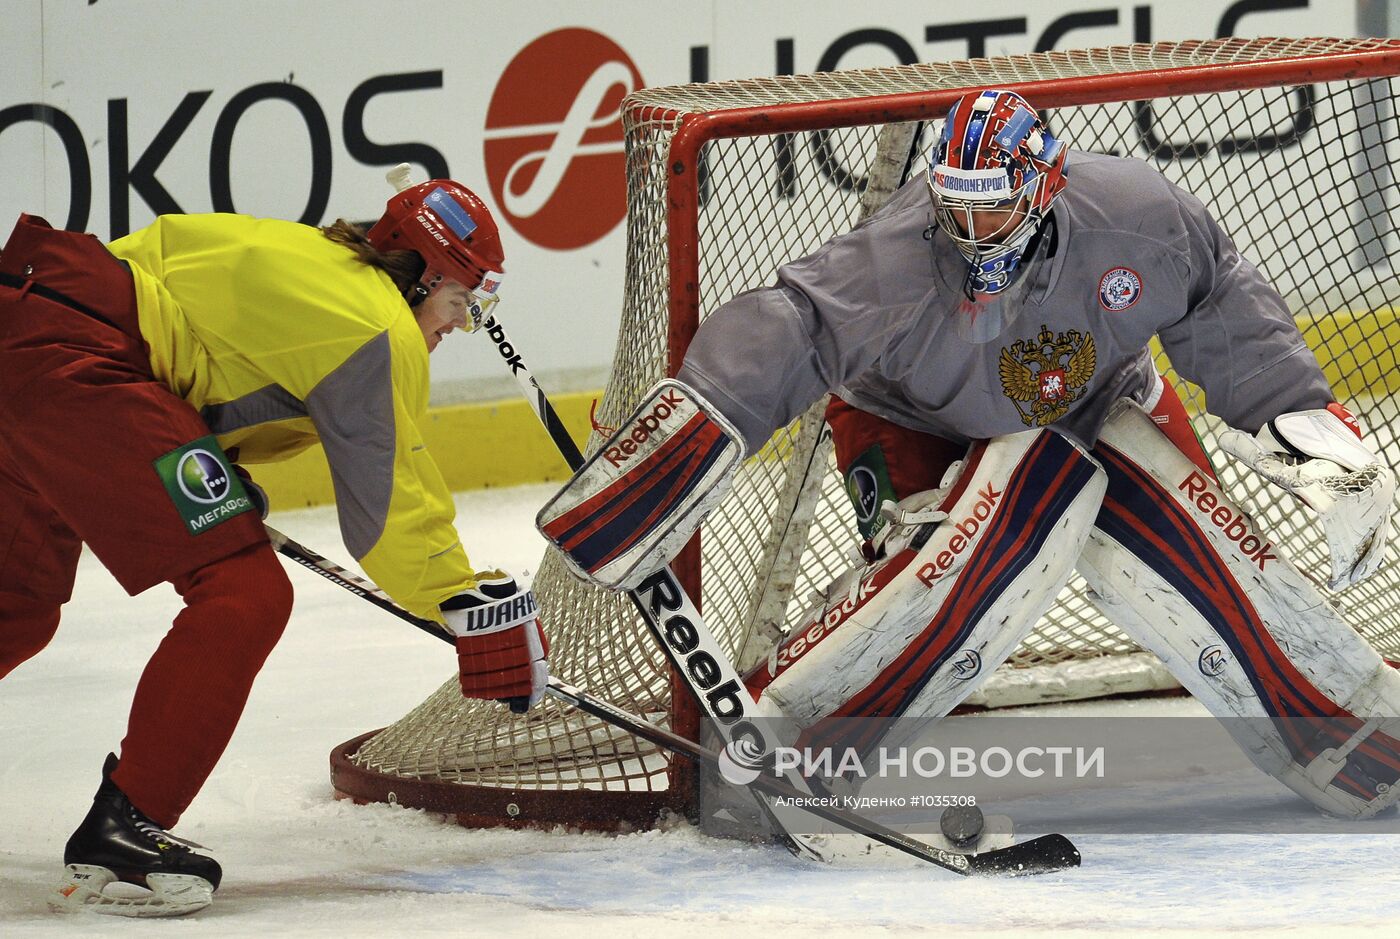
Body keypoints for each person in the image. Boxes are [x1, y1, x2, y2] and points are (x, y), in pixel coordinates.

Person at [540, 89, 1400, 826]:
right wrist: (706, 413)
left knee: (1207, 559)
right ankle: (788, 737)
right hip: (912, 420)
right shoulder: (899, 259)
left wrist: (1297, 416)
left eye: (992, 205)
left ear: (1046, 186)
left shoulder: (1137, 217)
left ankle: (1352, 724)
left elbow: (1217, 295)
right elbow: (791, 323)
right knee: (950, 576)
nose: (969, 227)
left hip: (1099, 399)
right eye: (955, 203)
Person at [0, 167, 549, 917]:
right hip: (79, 364)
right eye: (461, 298)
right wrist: (461, 597)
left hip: (28, 317)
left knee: (15, 603)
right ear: (421, 277)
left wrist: (202, 456)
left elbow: (166, 308)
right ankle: (124, 827)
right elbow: (389, 509)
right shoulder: (378, 326)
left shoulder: (318, 259)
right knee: (245, 592)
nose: (460, 322)